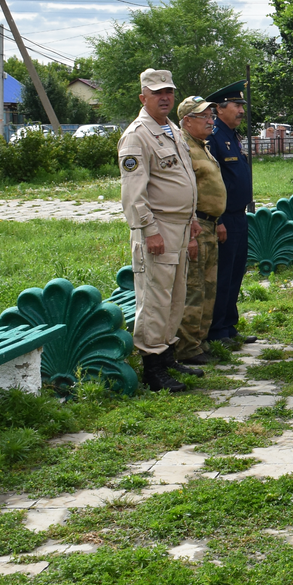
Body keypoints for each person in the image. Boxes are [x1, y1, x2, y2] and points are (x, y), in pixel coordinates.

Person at [118, 69, 201, 393]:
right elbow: (133, 194)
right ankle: (152, 367)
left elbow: (183, 178)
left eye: (169, 91)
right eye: (157, 93)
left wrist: (192, 217)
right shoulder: (137, 135)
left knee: (174, 296)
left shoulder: (171, 130)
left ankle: (166, 354)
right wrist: (149, 230)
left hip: (179, 226)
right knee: (154, 298)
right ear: (143, 98)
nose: (165, 97)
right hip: (158, 228)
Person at [172, 94, 228, 375]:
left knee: (208, 287)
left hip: (209, 225)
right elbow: (185, 192)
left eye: (210, 116)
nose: (210, 120)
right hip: (194, 227)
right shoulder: (183, 148)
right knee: (193, 287)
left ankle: (200, 341)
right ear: (186, 121)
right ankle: (187, 347)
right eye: (203, 117)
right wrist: (191, 231)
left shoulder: (201, 146)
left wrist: (217, 220)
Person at [206, 80, 255, 348]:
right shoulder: (213, 137)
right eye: (236, 105)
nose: (241, 110)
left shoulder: (231, 137)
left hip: (239, 216)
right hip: (224, 219)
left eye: (241, 106)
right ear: (220, 108)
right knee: (223, 274)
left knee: (236, 272)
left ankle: (229, 324)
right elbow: (211, 184)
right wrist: (219, 220)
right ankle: (217, 331)